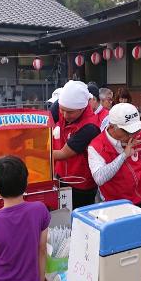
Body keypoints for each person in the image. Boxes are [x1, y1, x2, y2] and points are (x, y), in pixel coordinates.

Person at [51, 80, 101, 209]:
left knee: (77, 219)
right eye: (62, 110)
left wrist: (30, 153)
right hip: (61, 176)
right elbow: (46, 121)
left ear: (83, 108)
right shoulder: (62, 105)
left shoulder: (90, 127)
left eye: (70, 112)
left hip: (82, 184)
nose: (65, 115)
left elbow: (63, 153)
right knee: (61, 217)